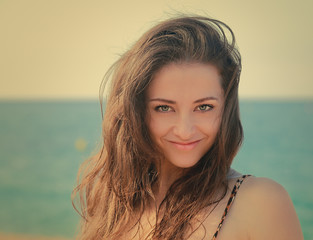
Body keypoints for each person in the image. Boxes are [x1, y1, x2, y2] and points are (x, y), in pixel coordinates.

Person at [72, 16, 303, 240]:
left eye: (204, 107)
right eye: (164, 108)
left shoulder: (260, 203)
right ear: (137, 111)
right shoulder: (111, 203)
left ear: (226, 108)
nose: (184, 130)